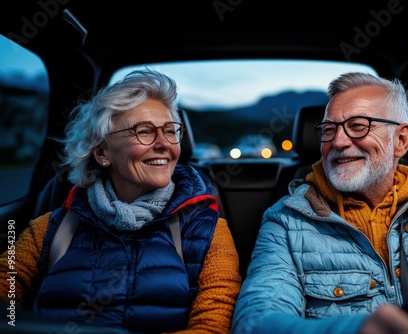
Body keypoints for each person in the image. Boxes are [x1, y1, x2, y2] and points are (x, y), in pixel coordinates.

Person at [232, 72, 408, 334]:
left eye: (358, 126)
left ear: (401, 140)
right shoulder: (286, 221)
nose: (337, 141)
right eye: (328, 129)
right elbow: (256, 321)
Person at [0, 69, 241, 333]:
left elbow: (213, 324)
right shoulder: (48, 229)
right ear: (102, 152)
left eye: (171, 131)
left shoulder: (207, 230)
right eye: (144, 131)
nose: (163, 143)